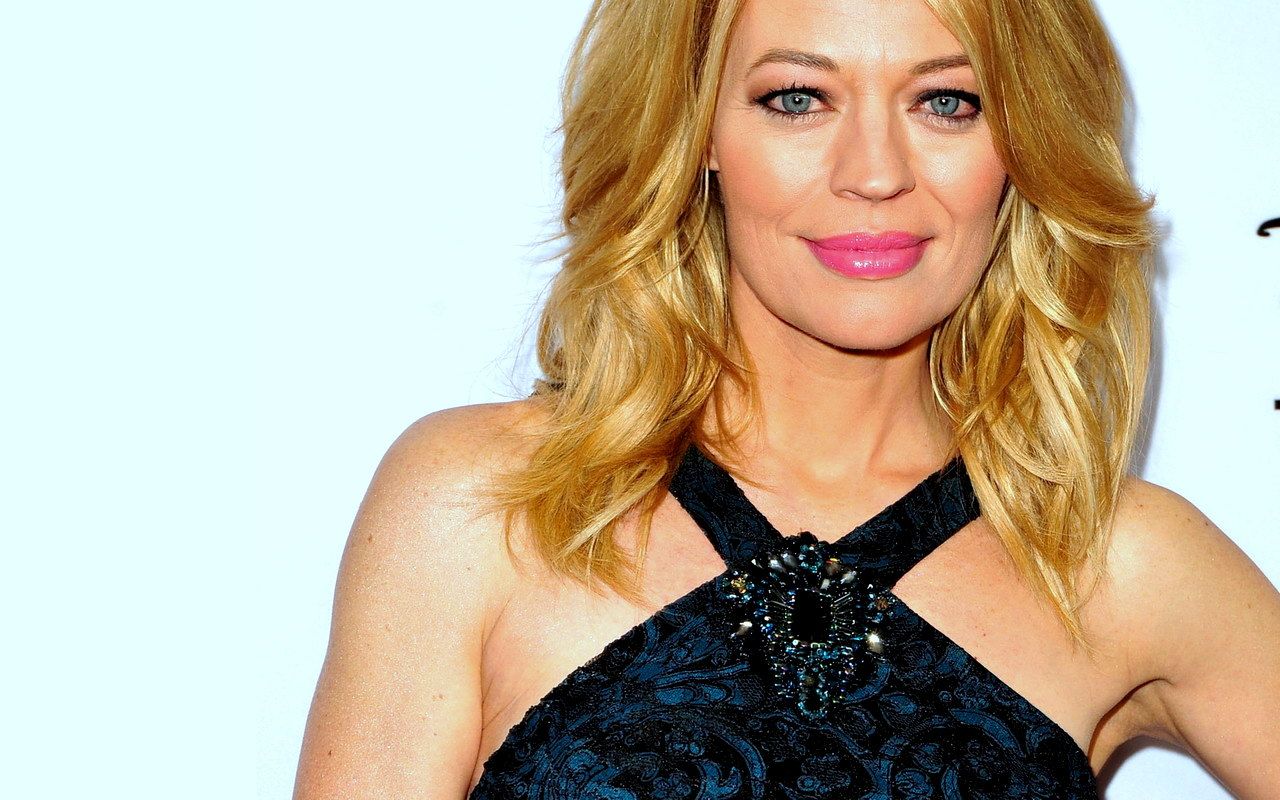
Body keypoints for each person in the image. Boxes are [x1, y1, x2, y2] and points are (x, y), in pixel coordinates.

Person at [292, 0, 1280, 797]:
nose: (875, 175)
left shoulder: (1111, 563)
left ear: (1021, 142)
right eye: (797, 98)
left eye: (946, 102)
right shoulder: (480, 505)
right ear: (698, 130)